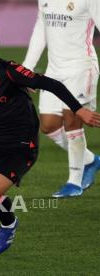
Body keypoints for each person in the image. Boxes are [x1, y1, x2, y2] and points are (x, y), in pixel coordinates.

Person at [0, 21, 100, 254]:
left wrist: (78, 109)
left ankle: (8, 224)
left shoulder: (8, 70)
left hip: (22, 146)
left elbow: (50, 84)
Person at [23, 0, 100, 198]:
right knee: (48, 126)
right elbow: (41, 30)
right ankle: (90, 160)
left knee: (72, 120)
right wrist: (27, 68)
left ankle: (74, 183)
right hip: (54, 70)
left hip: (81, 67)